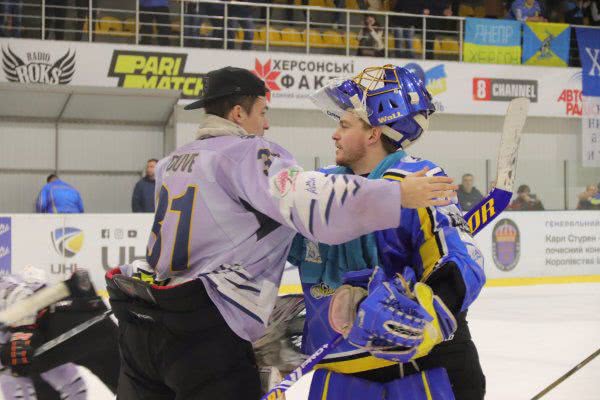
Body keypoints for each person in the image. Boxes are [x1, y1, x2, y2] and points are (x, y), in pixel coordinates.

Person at [105, 66, 458, 400]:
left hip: (146, 324)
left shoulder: (173, 162)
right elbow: (315, 209)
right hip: (206, 332)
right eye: (262, 112)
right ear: (239, 114)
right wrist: (396, 195)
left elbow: (257, 238)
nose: (267, 125)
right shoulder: (245, 154)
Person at [288, 65, 486, 399]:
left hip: (414, 375)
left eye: (344, 124)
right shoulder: (319, 190)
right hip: (338, 373)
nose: (334, 134)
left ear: (373, 133)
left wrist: (424, 315)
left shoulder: (417, 182)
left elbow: (463, 264)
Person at [0, 267, 120, 399]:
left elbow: (19, 295)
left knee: (16, 362)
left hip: (65, 318)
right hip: (85, 314)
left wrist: (22, 334)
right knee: (128, 379)